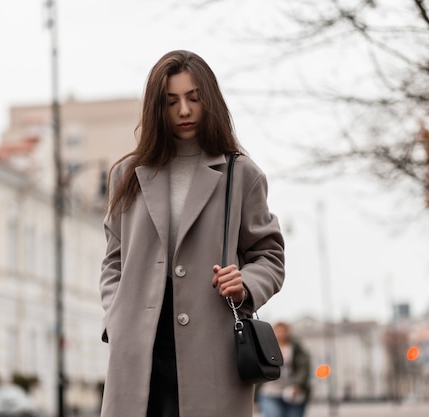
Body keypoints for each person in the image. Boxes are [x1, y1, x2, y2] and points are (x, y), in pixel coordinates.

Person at [99, 50, 286, 417]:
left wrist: (245, 282)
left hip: (211, 346)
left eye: (193, 98)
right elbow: (113, 261)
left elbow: (270, 256)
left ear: (209, 101)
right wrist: (115, 317)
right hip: (139, 347)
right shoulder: (126, 175)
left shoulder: (242, 174)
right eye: (171, 102)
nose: (184, 111)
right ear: (157, 108)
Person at [257, 322, 311, 417]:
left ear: (288, 332)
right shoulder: (266, 347)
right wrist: (254, 398)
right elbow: (259, 369)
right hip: (270, 391)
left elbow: (303, 367)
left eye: (283, 331)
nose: (281, 334)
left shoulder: (296, 347)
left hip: (293, 392)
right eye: (278, 331)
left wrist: (297, 384)